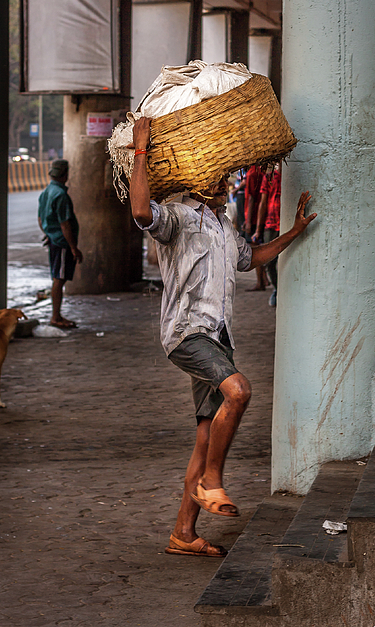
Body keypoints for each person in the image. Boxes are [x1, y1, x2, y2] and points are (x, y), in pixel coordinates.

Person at [129, 117, 316, 558]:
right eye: (221, 173)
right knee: (240, 390)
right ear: (200, 175)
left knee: (203, 434)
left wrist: (293, 232)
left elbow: (250, 259)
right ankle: (212, 482)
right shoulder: (177, 215)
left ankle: (183, 533)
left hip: (217, 337)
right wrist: (141, 148)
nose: (227, 178)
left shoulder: (222, 223)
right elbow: (141, 213)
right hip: (186, 332)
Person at [38, 159, 83, 328]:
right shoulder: (61, 195)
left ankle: (56, 315)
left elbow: (40, 218)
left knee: (58, 277)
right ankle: (55, 316)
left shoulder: (46, 192)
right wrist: (73, 248)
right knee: (59, 279)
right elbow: (65, 224)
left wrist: (48, 233)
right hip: (62, 243)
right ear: (65, 175)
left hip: (53, 239)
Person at [252, 161, 282, 307]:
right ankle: (277, 289)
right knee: (269, 262)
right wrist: (258, 229)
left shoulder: (293, 177)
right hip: (271, 223)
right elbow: (263, 204)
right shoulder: (269, 177)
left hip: (286, 223)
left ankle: (283, 290)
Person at [243, 163, 268, 291]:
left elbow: (252, 198)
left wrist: (248, 221)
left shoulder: (252, 173)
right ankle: (264, 278)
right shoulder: (261, 171)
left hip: (253, 217)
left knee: (255, 249)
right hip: (259, 215)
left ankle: (260, 281)